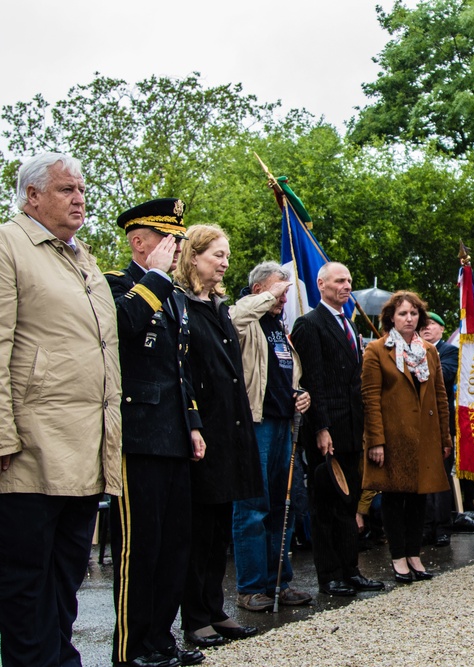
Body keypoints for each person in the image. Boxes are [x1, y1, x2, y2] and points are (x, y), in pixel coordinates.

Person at [0, 152, 122, 667]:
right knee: (25, 582)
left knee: (65, 576)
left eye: (82, 189)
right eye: (67, 190)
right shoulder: (9, 244)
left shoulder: (83, 256)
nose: (80, 199)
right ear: (33, 196)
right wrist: (3, 436)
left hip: (86, 445)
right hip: (31, 448)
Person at [105, 198, 206, 667]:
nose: (177, 249)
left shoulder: (174, 296)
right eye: (170, 241)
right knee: (140, 548)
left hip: (173, 435)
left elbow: (178, 367)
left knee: (173, 546)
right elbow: (122, 330)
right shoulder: (116, 286)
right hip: (137, 435)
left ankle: (161, 640)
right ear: (138, 241)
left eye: (179, 241)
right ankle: (130, 649)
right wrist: (158, 278)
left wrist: (193, 422)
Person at [175, 225, 262, 647]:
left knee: (219, 530)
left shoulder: (217, 305)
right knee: (199, 530)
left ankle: (214, 608)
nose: (225, 262)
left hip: (230, 428)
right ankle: (195, 616)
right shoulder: (181, 304)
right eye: (217, 255)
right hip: (202, 429)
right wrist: (193, 424)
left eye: (227, 255)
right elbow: (183, 372)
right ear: (193, 256)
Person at [290, 262, 385, 596]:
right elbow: (312, 380)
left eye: (349, 280)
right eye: (340, 280)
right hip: (326, 430)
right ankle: (330, 575)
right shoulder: (309, 324)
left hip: (352, 429)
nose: (347, 286)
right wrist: (321, 428)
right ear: (321, 284)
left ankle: (350, 569)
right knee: (326, 504)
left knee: (348, 503)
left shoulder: (349, 325)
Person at [230, 262, 313, 611]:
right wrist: (271, 294)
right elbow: (235, 316)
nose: (285, 296)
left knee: (284, 506)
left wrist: (301, 393)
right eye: (279, 289)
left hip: (284, 422)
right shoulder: (247, 321)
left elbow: (285, 374)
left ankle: (279, 581)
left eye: (286, 290)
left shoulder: (280, 327)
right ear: (258, 289)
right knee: (253, 506)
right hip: (256, 423)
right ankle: (250, 587)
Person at [361, 292, 452, 582]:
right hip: (393, 436)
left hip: (425, 437)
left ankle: (415, 555)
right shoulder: (377, 350)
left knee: (418, 498)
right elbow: (370, 398)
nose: (409, 318)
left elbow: (440, 397)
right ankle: (398, 557)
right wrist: (376, 440)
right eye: (402, 314)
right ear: (391, 318)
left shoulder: (429, 351)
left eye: (413, 313)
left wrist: (445, 438)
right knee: (393, 496)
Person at [420, 311, 458, 546]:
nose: (426, 328)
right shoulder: (411, 349)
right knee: (422, 478)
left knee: (441, 477)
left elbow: (444, 375)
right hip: (418, 422)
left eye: (432, 324)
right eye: (423, 325)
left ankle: (443, 526)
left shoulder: (449, 351)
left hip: (440, 423)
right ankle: (425, 526)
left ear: (442, 329)